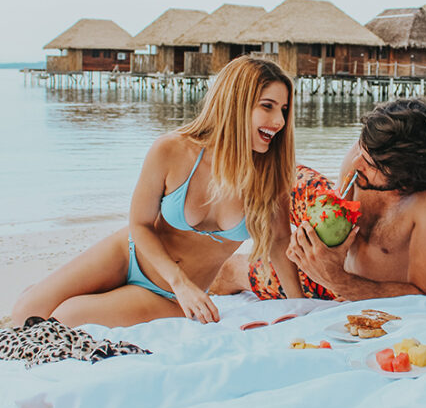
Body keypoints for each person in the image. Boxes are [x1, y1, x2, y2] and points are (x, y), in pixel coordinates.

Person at [11, 57, 303, 329]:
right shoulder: (172, 150)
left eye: (284, 110)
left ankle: (67, 294)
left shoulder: (270, 175)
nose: (278, 121)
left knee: (65, 317)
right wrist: (180, 282)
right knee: (25, 314)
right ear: (235, 103)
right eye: (268, 106)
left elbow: (279, 242)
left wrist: (301, 307)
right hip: (128, 256)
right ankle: (37, 292)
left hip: (169, 298)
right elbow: (139, 224)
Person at [213, 97, 426, 301]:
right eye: (361, 146)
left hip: (350, 284)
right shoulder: (367, 154)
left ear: (406, 181)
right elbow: (339, 205)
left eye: (371, 163)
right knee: (273, 174)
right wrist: (313, 244)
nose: (356, 161)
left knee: (228, 273)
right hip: (335, 239)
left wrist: (335, 278)